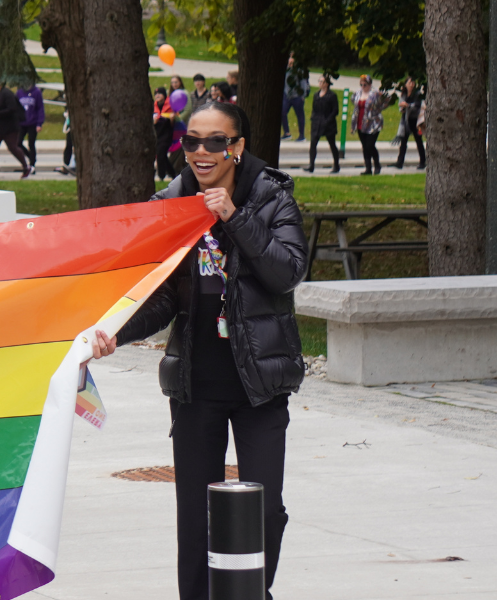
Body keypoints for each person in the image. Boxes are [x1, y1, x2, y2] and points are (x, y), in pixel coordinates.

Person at [91, 99, 306, 600]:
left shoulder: (271, 197)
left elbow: (287, 272)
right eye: (192, 142)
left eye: (214, 142)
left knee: (265, 509)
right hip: (196, 384)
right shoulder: (172, 203)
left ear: (237, 147)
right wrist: (114, 332)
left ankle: (253, 592)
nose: (201, 152)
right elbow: (161, 296)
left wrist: (233, 217)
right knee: (194, 518)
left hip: (259, 385)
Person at [0, 81, 30, 178]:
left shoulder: (7, 93)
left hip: (8, 127)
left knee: (13, 147)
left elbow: (12, 109)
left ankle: (26, 167)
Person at [306, 74, 340, 173]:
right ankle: (311, 165)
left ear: (327, 84)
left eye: (322, 82)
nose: (320, 83)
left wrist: (327, 120)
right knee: (313, 143)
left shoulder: (332, 95)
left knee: (332, 144)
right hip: (317, 122)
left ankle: (336, 165)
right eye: (319, 81)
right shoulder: (316, 95)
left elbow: (335, 110)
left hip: (328, 123)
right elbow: (314, 109)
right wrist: (313, 118)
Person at [353, 74, 384, 174]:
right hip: (360, 123)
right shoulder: (358, 93)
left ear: (370, 84)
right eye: (361, 84)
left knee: (370, 145)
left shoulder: (375, 94)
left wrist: (377, 110)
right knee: (364, 146)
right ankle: (368, 168)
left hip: (373, 123)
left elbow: (385, 102)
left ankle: (377, 164)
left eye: (365, 84)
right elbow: (353, 102)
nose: (363, 86)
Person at [393, 77, 426, 170]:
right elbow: (401, 106)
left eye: (413, 82)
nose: (412, 84)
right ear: (405, 84)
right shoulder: (403, 94)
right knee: (403, 142)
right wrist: (403, 107)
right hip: (406, 121)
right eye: (410, 82)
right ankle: (400, 162)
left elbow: (417, 106)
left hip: (415, 121)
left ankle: (422, 161)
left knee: (418, 141)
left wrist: (407, 106)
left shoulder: (417, 94)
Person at [18, 80, 47, 168]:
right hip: (21, 123)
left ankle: (32, 164)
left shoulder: (36, 92)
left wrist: (39, 123)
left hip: (33, 123)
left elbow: (40, 108)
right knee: (18, 143)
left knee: (31, 143)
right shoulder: (19, 92)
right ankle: (30, 157)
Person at [153, 88, 178, 180]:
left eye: (160, 93)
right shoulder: (153, 106)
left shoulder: (170, 106)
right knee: (162, 155)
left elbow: (174, 123)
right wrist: (154, 122)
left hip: (167, 134)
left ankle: (161, 175)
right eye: (156, 94)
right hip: (157, 134)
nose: (157, 95)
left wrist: (172, 119)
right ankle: (172, 174)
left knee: (160, 154)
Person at [282, 56, 307, 141]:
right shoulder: (286, 70)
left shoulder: (300, 71)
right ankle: (287, 133)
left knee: (300, 116)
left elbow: (304, 83)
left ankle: (302, 135)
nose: (290, 63)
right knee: (282, 112)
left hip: (297, 96)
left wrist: (303, 96)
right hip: (287, 95)